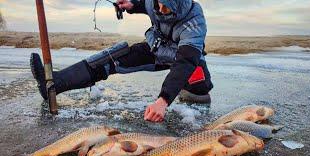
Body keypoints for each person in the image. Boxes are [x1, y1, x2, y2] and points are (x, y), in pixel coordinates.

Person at [30, 0, 213, 122]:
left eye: (167, 7)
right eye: (159, 4)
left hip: (185, 57)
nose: (161, 10)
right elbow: (146, 3)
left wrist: (163, 100)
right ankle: (56, 82)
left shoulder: (195, 21)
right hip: (158, 48)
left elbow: (186, 61)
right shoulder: (155, 2)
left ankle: (190, 91)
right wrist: (132, 4)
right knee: (111, 58)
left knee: (198, 95)